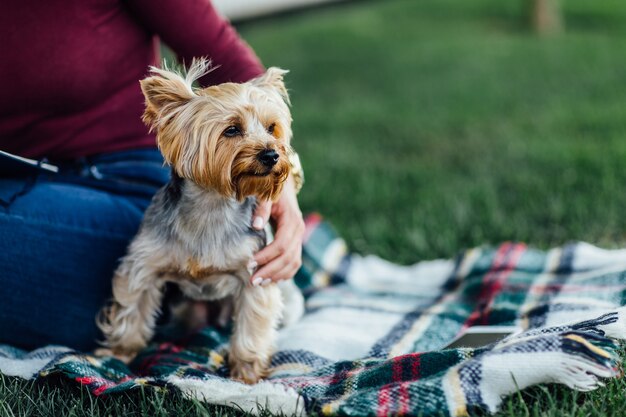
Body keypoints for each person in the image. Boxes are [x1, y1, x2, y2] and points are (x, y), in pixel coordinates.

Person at [0, 0, 305, 351]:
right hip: (24, 180)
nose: (265, 145)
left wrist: (287, 186)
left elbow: (227, 57)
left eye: (270, 130)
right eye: (234, 131)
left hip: (122, 177)